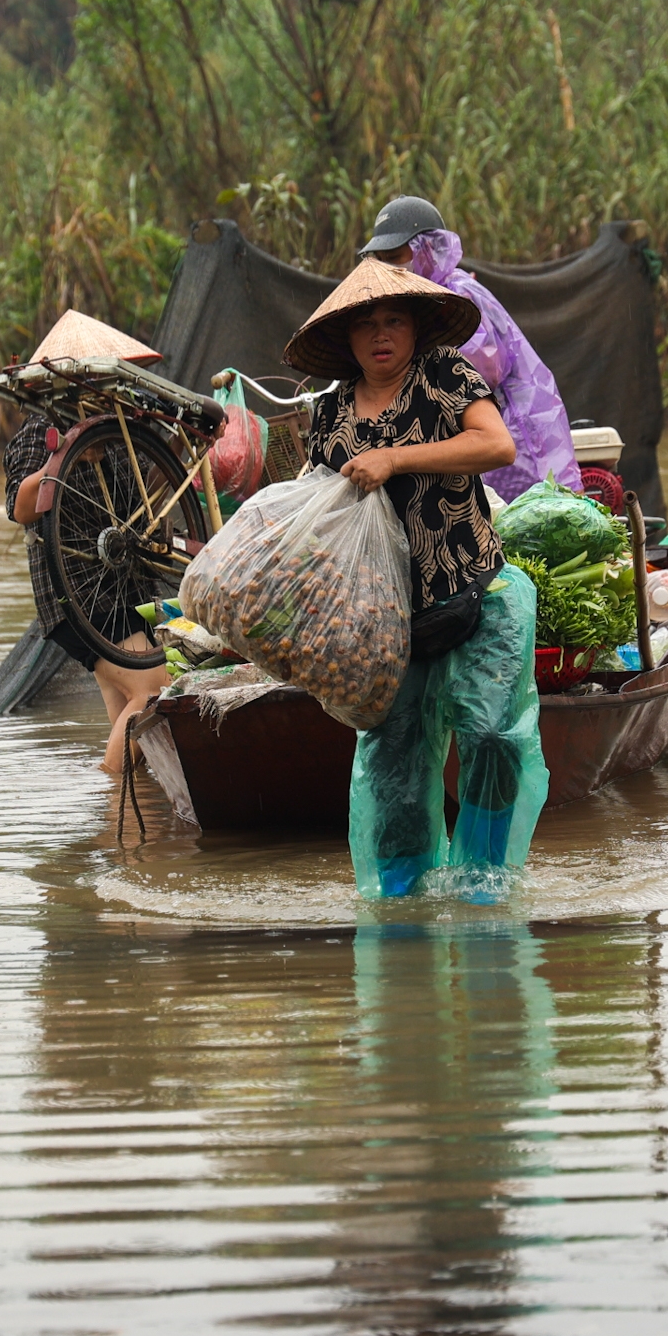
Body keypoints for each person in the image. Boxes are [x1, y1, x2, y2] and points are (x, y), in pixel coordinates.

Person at [284, 257, 551, 899]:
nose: (381, 335)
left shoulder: (444, 376)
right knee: (394, 765)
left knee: (489, 734)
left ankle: (485, 882)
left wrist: (394, 459)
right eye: (367, 324)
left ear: (414, 328)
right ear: (347, 339)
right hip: (385, 617)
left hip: (475, 592)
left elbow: (497, 447)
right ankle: (402, 896)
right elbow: (318, 504)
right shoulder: (331, 414)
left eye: (394, 321)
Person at [2, 311, 173, 776]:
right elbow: (21, 506)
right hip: (78, 593)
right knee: (153, 694)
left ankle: (124, 832)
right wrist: (65, 457)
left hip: (123, 589)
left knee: (127, 707)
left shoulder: (114, 431)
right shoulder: (40, 432)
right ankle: (109, 801)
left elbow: (138, 506)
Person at [358, 195, 580, 505]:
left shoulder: (457, 296)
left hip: (513, 434)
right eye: (381, 260)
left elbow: (481, 374)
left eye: (395, 257)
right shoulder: (418, 303)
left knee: (527, 526)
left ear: (429, 249)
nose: (389, 268)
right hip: (479, 434)